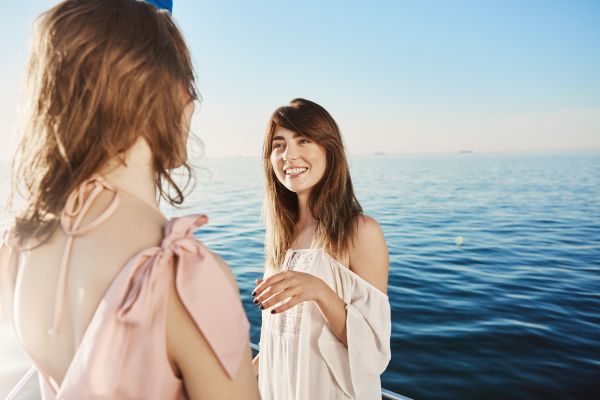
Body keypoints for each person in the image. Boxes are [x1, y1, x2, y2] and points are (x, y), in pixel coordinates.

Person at [0, 0, 260, 399]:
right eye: (185, 81)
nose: (193, 102)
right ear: (154, 95)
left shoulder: (18, 247)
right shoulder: (182, 278)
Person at [252, 98, 392, 399]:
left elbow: (373, 352)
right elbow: (283, 340)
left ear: (329, 149)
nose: (289, 155)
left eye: (303, 140)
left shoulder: (360, 231)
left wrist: (319, 290)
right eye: (279, 145)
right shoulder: (281, 238)